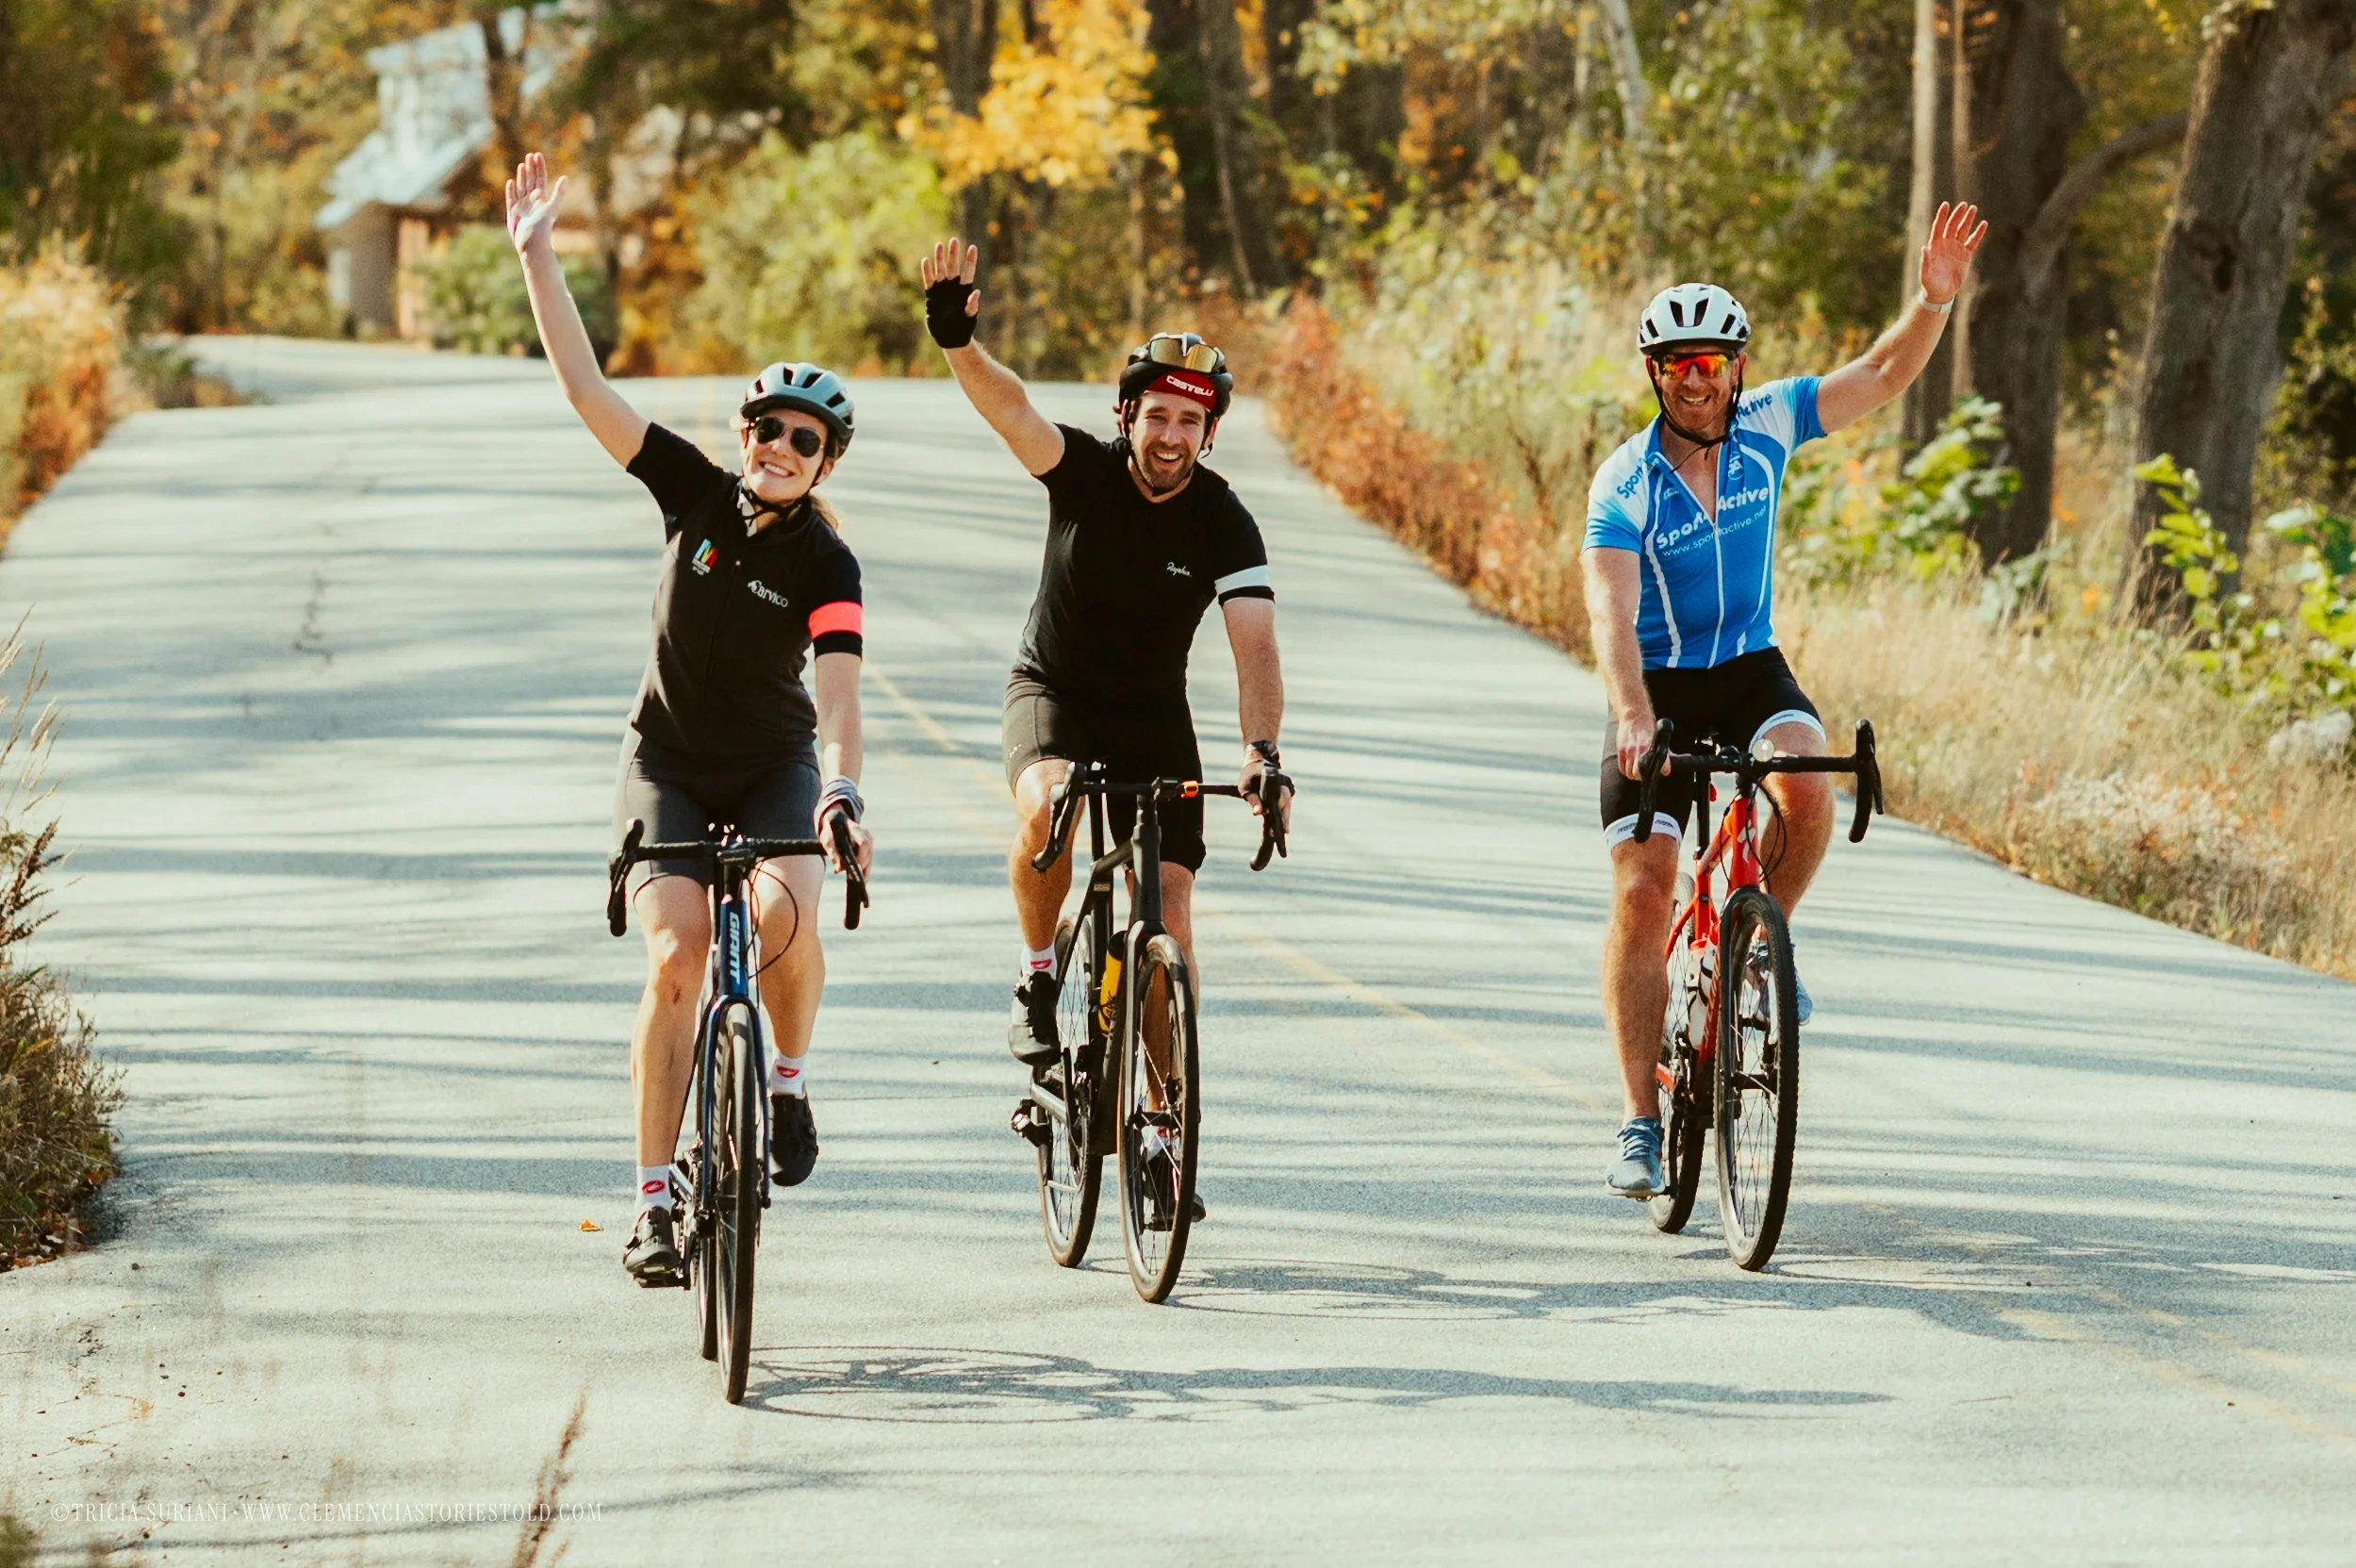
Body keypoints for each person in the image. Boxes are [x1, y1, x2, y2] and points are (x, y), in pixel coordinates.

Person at [504, 153, 877, 1283]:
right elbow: (587, 389)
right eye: (767, 427)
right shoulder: (693, 490)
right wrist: (536, 256)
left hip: (773, 766)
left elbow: (841, 696)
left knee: (789, 920)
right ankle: (656, 1203)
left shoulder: (830, 559)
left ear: (825, 464)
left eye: (804, 441)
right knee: (672, 958)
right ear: (745, 429)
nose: (778, 448)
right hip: (665, 759)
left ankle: (788, 1078)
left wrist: (844, 794)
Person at [1583, 201, 1986, 1199]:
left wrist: (1932, 301)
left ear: (1737, 370)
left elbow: (1885, 374)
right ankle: (1639, 1116)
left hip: (1751, 665)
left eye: (1713, 363)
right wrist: (1633, 715)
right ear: (1655, 375)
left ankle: (1761, 941)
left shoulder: (1769, 423)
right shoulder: (1625, 480)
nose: (1697, 380)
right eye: (1678, 364)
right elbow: (1608, 612)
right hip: (1660, 684)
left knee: (1808, 784)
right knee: (1645, 886)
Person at [914, 237, 1292, 1099]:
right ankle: (1038, 973)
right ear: (1128, 417)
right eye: (1156, 414)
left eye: (1189, 421)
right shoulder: (1082, 472)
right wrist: (957, 343)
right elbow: (1010, 409)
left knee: (1167, 910)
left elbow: (1256, 644)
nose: (1170, 435)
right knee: (1048, 807)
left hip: (1150, 716)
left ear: (1208, 432)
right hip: (1052, 691)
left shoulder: (1224, 522)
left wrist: (1262, 751)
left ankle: (1164, 1122)